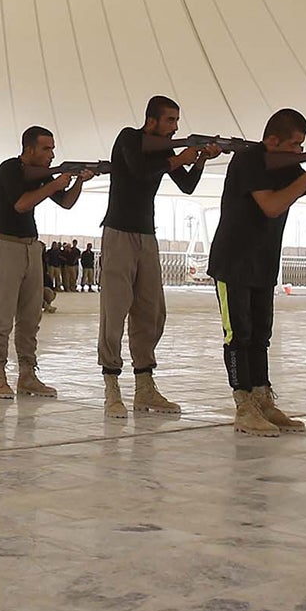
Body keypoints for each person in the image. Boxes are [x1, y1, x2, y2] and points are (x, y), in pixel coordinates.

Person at [207, 109, 306, 436]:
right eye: (295, 144)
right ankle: (244, 404)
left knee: (260, 334)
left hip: (262, 262)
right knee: (238, 334)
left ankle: (263, 399)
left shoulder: (286, 164)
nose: (299, 151)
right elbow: (271, 205)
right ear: (273, 140)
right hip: (234, 261)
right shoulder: (248, 160)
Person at [97, 95, 216, 418]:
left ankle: (145, 386)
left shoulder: (162, 149)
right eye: (170, 121)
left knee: (151, 312)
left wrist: (201, 160)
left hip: (147, 236)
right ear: (152, 121)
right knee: (115, 310)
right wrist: (181, 158)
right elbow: (139, 171)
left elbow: (187, 185)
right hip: (119, 233)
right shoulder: (129, 138)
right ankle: (112, 387)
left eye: (177, 121)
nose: (175, 127)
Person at [0, 128, 93, 399]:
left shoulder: (43, 176)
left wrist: (79, 181)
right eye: (46, 149)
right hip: (7, 244)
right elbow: (21, 205)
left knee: (30, 316)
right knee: (2, 316)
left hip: (31, 248)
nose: (51, 155)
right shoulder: (10, 169)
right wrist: (54, 184)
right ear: (30, 149)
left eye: (52, 149)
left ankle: (27, 374)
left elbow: (67, 203)